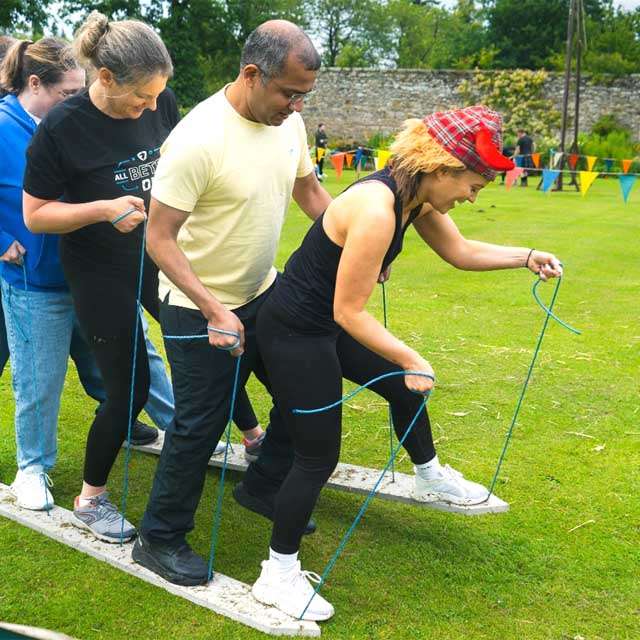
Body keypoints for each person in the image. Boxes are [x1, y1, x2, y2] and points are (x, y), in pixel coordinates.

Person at [252, 106, 563, 621]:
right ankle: (277, 573)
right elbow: (348, 311)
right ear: (441, 168)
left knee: (403, 386)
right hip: (294, 332)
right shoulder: (377, 208)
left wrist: (525, 256)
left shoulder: (413, 198)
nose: (471, 196)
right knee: (317, 456)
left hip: (323, 326)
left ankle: (428, 473)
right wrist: (412, 354)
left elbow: (460, 251)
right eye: (472, 185)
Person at [132, 20, 331, 587]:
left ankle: (265, 484)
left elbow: (311, 192)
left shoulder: (286, 125)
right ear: (251, 74)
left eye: (304, 96)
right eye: (289, 93)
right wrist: (214, 309)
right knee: (199, 424)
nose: (296, 107)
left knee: (303, 391)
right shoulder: (197, 139)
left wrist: (362, 239)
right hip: (197, 304)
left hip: (262, 292)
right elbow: (159, 238)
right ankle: (160, 536)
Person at [21, 12, 178, 541]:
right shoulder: (62, 127)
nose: (153, 106)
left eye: (159, 95)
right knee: (128, 388)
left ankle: (249, 437)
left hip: (156, 250)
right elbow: (36, 214)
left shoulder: (163, 102)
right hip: (97, 269)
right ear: (105, 78)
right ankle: (91, 499)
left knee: (199, 331)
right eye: (143, 96)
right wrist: (102, 209)